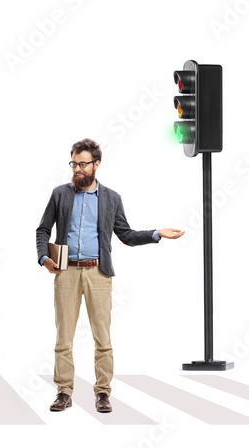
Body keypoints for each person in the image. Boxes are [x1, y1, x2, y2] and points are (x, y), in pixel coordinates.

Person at [35, 138, 185, 413]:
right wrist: (45, 258)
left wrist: (155, 234)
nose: (77, 169)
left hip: (99, 274)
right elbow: (43, 230)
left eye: (83, 164)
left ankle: (103, 393)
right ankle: (64, 392)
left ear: (96, 164)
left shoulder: (111, 198)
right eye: (74, 163)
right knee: (63, 338)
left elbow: (126, 235)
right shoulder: (60, 194)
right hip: (66, 273)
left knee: (102, 337)